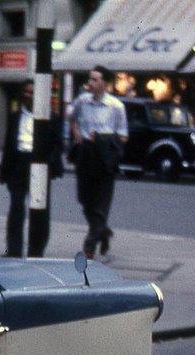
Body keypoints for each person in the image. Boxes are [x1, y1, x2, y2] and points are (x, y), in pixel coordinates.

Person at [0, 79, 65, 258]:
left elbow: (58, 145)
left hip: (39, 165)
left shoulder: (51, 117)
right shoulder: (15, 116)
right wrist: (4, 171)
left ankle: (36, 251)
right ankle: (14, 251)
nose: (29, 96)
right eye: (27, 92)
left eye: (33, 93)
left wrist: (47, 164)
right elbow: (8, 145)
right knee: (16, 209)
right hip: (19, 164)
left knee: (40, 212)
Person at [70, 66, 128, 259]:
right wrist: (76, 131)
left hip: (104, 156)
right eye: (90, 79)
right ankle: (103, 232)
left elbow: (123, 136)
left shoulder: (116, 106)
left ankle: (90, 244)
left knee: (101, 203)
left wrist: (103, 140)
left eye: (95, 80)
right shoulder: (82, 101)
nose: (91, 83)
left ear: (104, 83)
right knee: (85, 200)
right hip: (85, 152)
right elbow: (71, 115)